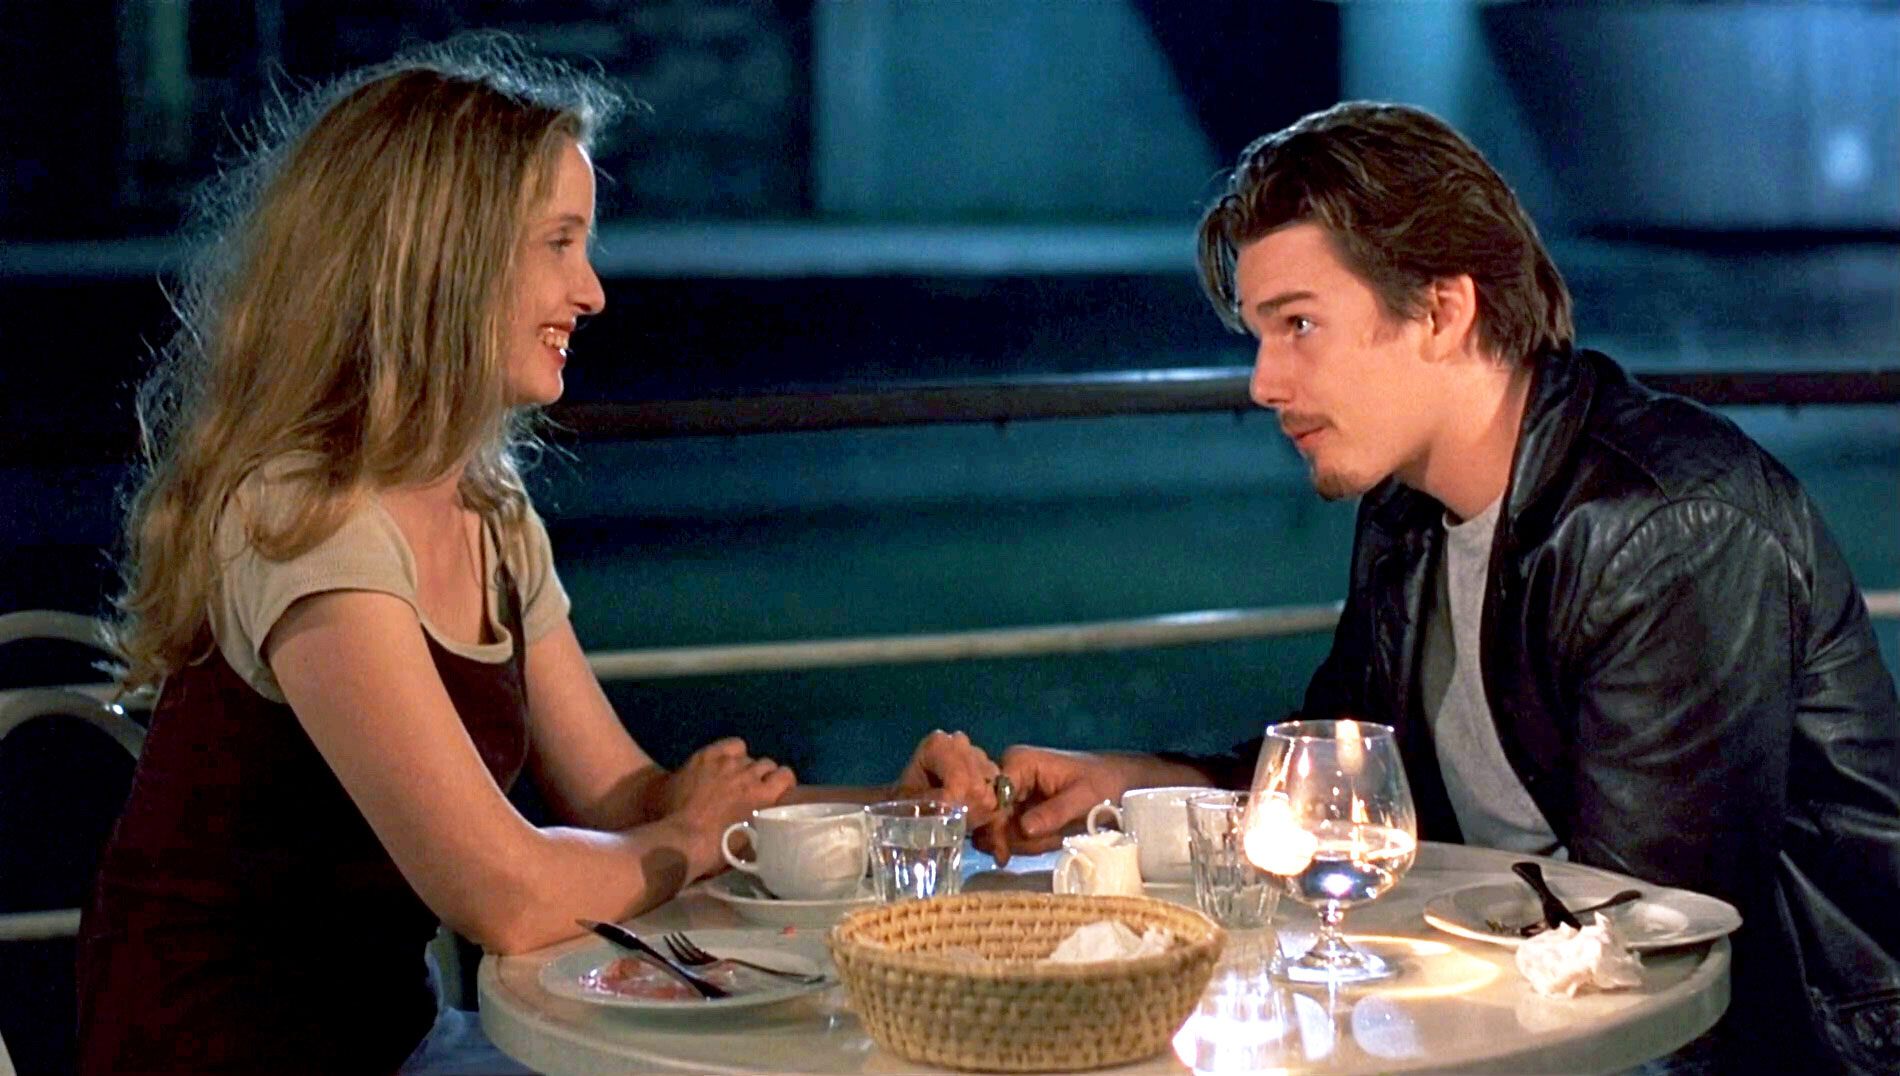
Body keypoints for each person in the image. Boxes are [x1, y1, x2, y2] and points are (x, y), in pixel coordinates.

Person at [76, 39, 1001, 1075]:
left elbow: (623, 797)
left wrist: (899, 813)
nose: (592, 290)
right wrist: (692, 839)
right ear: (443, 261)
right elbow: (506, 894)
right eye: (559, 242)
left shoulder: (488, 504)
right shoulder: (306, 512)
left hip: (398, 1041)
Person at [974, 102, 1900, 1074]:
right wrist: (1129, 784)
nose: (1262, 382)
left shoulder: (1664, 530)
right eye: (1260, 334)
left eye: (1299, 325)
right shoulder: (1408, 509)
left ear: (1442, 312)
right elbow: (1342, 782)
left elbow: (1645, 955)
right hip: (1518, 1009)